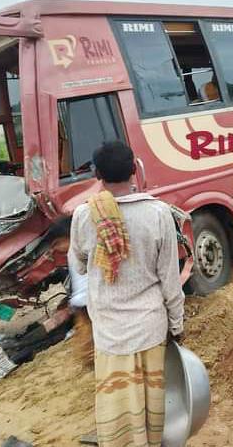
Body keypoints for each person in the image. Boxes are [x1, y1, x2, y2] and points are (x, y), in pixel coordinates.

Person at [68, 141, 184, 447]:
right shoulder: (159, 214)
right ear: (134, 170)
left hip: (109, 334)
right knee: (151, 405)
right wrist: (178, 326)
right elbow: (170, 281)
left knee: (120, 411)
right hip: (150, 328)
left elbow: (79, 265)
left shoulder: (84, 216)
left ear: (96, 174)